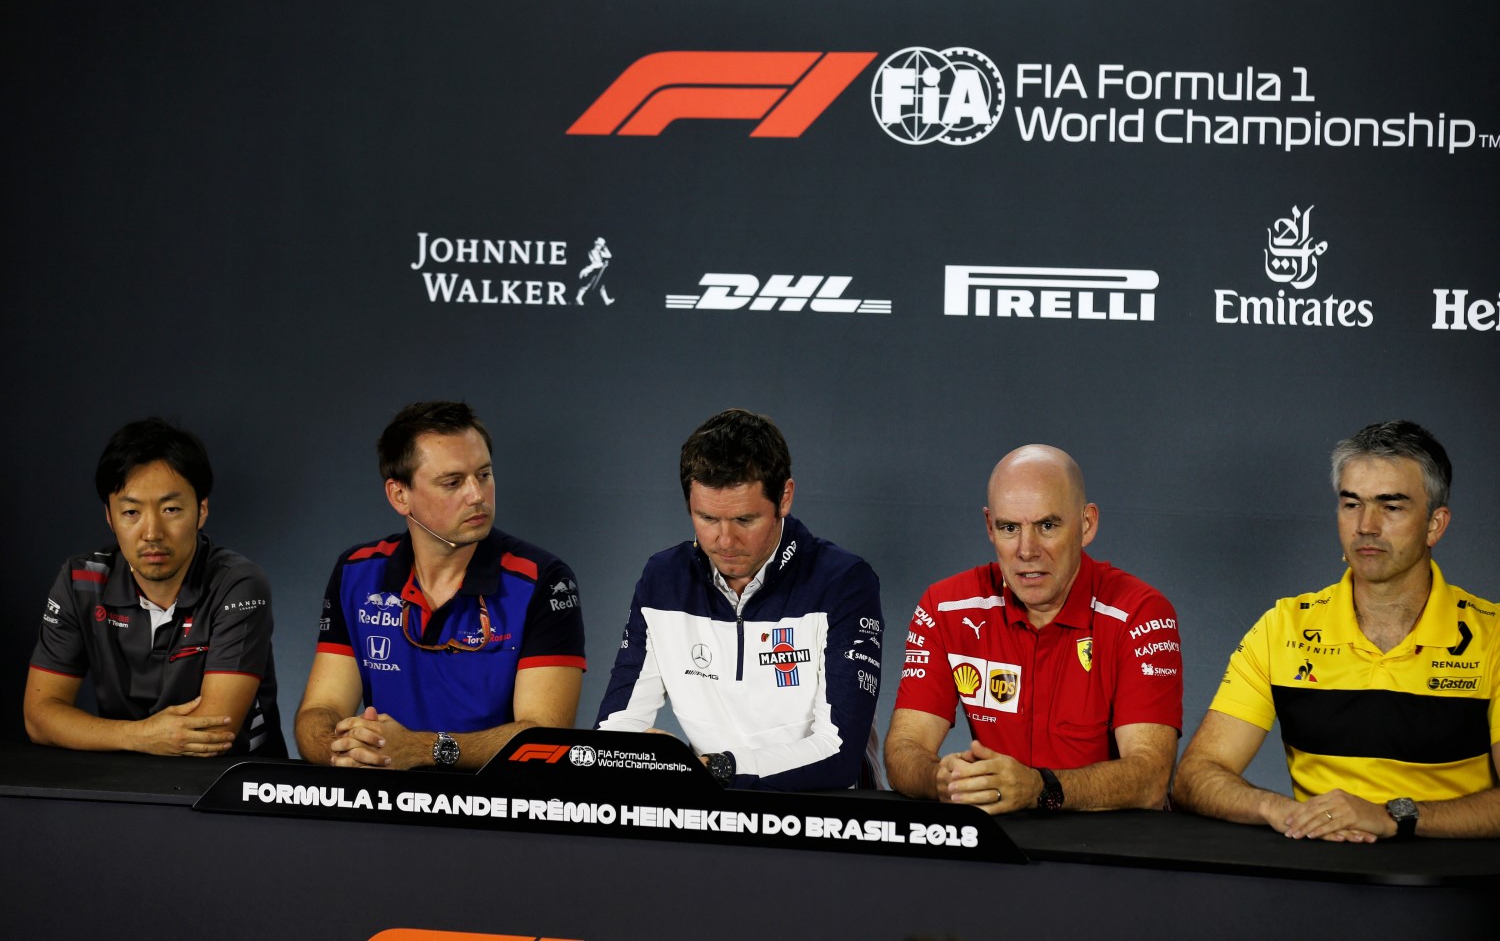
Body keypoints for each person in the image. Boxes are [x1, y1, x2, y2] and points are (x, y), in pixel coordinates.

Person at [1174, 421, 1500, 840]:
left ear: (1435, 524)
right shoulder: (1282, 628)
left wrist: (1394, 816)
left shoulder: (1492, 637)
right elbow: (1196, 775)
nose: (1366, 525)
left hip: (1450, 890)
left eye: (1392, 506)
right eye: (1351, 504)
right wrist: (1281, 810)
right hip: (1321, 882)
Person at [595, 408, 883, 790]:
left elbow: (839, 755)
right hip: (712, 811)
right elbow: (614, 731)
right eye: (708, 519)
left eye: (745, 520)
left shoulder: (844, 581)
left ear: (785, 498)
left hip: (823, 816)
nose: (725, 542)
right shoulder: (664, 579)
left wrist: (713, 769)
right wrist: (655, 758)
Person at [885, 444, 1181, 813]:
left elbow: (1150, 779)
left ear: (1087, 524)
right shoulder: (945, 607)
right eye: (1009, 528)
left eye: (1047, 525)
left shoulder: (1141, 614)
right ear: (989, 527)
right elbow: (903, 750)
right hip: (1000, 847)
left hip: (1109, 852)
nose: (1027, 550)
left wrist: (1040, 789)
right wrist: (941, 780)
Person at [294, 401, 585, 770]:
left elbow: (545, 737)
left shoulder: (544, 579)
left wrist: (422, 749)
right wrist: (343, 751)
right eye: (453, 482)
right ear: (400, 495)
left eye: (483, 475)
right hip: (381, 803)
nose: (477, 495)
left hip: (493, 808)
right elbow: (319, 710)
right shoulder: (356, 572)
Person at [25, 418, 285, 757]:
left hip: (233, 787)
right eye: (131, 511)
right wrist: (139, 736)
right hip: (126, 785)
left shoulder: (237, 583)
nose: (152, 533)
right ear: (109, 516)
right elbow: (40, 717)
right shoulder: (82, 579)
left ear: (201, 510)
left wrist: (111, 735)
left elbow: (213, 733)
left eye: (171, 509)